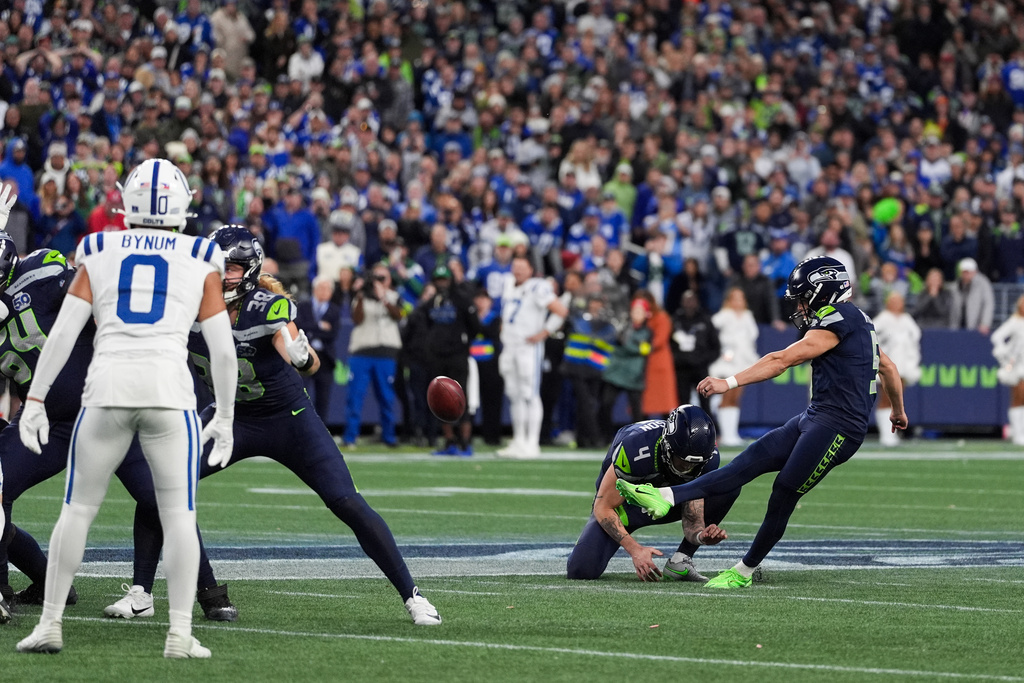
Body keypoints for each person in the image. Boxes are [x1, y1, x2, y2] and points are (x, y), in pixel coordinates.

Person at [106, 226, 441, 628]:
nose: (219, 274)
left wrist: (302, 358)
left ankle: (413, 595)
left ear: (247, 270)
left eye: (228, 267)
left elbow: (303, 356)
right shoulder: (185, 305)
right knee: (158, 482)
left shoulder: (267, 305)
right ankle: (142, 593)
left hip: (288, 419)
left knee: (346, 501)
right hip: (232, 417)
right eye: (213, 266)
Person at [16, 159, 239, 658]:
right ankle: (180, 634)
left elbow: (64, 333)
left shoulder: (98, 247)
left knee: (77, 510)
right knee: (179, 516)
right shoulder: (203, 254)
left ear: (127, 201)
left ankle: (50, 624)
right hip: (169, 394)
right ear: (183, 203)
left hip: (108, 389)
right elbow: (223, 351)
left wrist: (34, 398)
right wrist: (224, 416)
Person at [616, 256, 908, 588]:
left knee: (784, 491)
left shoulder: (837, 321)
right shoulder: (858, 320)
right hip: (817, 416)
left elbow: (781, 359)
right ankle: (666, 496)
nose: (799, 305)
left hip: (839, 428)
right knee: (746, 462)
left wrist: (728, 382)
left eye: (802, 297)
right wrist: (897, 410)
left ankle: (743, 571)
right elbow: (888, 368)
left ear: (821, 292)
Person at [566, 404, 737, 582]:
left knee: (727, 485)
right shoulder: (636, 448)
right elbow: (603, 506)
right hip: (625, 505)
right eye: (682, 462)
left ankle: (681, 561)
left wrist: (701, 536)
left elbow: (692, 518)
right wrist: (635, 550)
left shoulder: (708, 458)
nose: (687, 469)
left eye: (695, 464)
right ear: (667, 446)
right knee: (581, 570)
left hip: (667, 500)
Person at [497, 255, 568, 458]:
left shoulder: (538, 286)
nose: (518, 270)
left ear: (531, 270)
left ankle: (532, 442)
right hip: (510, 346)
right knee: (514, 394)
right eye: (515, 266)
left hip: (528, 347)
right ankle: (519, 440)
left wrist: (543, 333)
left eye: (522, 267)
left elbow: (560, 311)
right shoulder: (509, 285)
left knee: (529, 393)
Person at [342, 263, 403, 447]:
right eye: (375, 278)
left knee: (387, 397)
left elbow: (398, 316)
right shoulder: (361, 296)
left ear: (389, 280)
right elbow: (357, 319)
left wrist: (383, 298)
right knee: (355, 396)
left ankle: (389, 436)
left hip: (386, 353)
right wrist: (361, 294)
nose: (378, 282)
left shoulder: (394, 296)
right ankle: (350, 437)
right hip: (362, 351)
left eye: (382, 278)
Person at [709, 287, 760, 447]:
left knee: (737, 397)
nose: (738, 302)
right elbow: (710, 329)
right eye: (735, 298)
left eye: (741, 298)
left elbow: (752, 336)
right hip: (727, 362)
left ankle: (732, 434)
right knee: (728, 395)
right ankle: (725, 434)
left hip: (743, 361)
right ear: (729, 301)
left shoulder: (748, 316)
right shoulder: (723, 315)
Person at [597, 297, 652, 443]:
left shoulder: (647, 332)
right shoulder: (622, 326)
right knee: (606, 403)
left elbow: (643, 350)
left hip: (634, 374)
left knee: (636, 411)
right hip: (616, 372)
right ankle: (605, 436)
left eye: (640, 311)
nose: (636, 314)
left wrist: (625, 343)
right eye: (635, 311)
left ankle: (639, 439)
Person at [873, 292, 922, 447]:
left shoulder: (907, 320)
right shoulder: (882, 319)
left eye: (899, 301)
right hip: (886, 366)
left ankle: (892, 434)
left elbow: (915, 339)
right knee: (885, 398)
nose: (896, 304)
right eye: (893, 301)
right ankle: (886, 435)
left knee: (897, 401)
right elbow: (872, 336)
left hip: (903, 366)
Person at [295, 275, 340, 421]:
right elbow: (299, 327)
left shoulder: (334, 310)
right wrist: (320, 326)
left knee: (323, 399)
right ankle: (301, 429)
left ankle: (322, 434)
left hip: (325, 358)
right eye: (321, 288)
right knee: (301, 395)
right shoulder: (303, 306)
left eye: (327, 289)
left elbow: (332, 334)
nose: (324, 292)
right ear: (314, 289)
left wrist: (311, 329)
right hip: (304, 355)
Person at [991, 294, 1024, 445]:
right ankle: (1018, 433)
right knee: (1019, 397)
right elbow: (997, 337)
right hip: (1018, 366)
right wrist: (1006, 354)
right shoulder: (1014, 322)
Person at [949, 257, 994, 335]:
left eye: (968, 272)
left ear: (974, 271)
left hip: (976, 327)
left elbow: (988, 304)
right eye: (964, 272)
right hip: (957, 325)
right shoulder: (956, 285)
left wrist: (985, 323)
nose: (966, 274)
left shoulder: (983, 283)